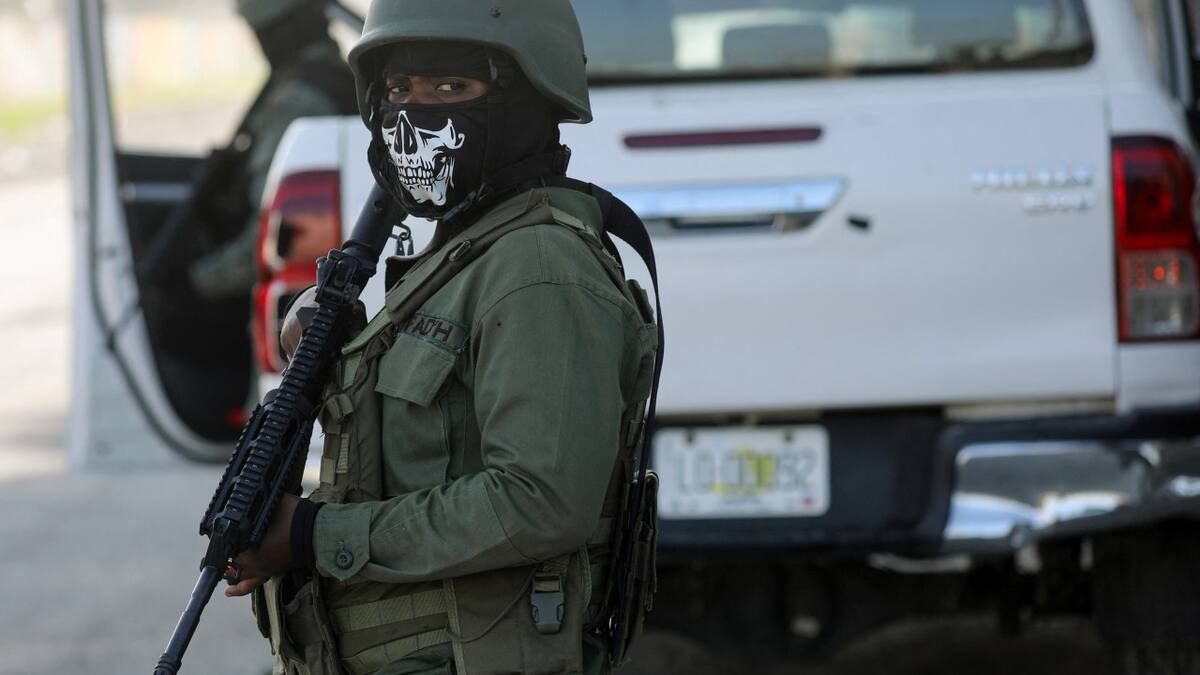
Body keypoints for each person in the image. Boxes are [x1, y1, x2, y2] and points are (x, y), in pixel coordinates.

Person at [223, 2, 661, 674]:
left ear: (528, 98)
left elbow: (539, 501)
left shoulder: (539, 268)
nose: (413, 114)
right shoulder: (467, 255)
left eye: (452, 89)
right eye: (399, 90)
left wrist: (313, 535)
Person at [187, 0, 357, 300]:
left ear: (282, 29)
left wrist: (199, 281)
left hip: (304, 288)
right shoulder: (344, 78)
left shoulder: (299, 100)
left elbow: (273, 236)